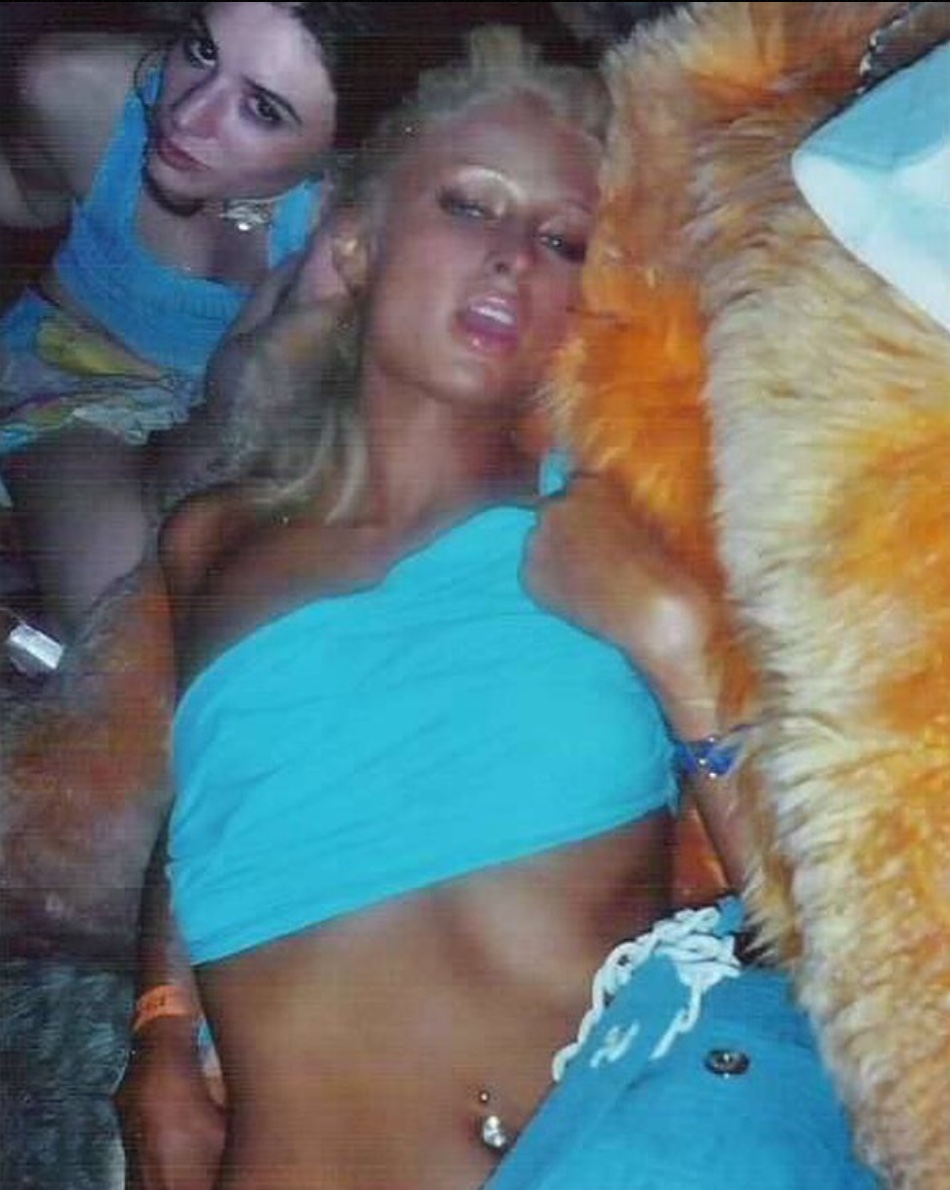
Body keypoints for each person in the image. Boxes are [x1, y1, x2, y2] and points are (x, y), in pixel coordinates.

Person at [116, 25, 878, 1190]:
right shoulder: (212, 540)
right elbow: (210, 787)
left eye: (561, 239)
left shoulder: (636, 511)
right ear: (357, 242)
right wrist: (160, 1028)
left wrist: (674, 642)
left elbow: (848, 951)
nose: (514, 257)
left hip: (636, 1148)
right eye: (470, 206)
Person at [0, 1, 370, 644]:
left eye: (262, 109)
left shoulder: (351, 229)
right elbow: (29, 202)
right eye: (202, 51)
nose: (188, 115)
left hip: (238, 422)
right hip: (72, 366)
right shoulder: (77, 88)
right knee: (116, 607)